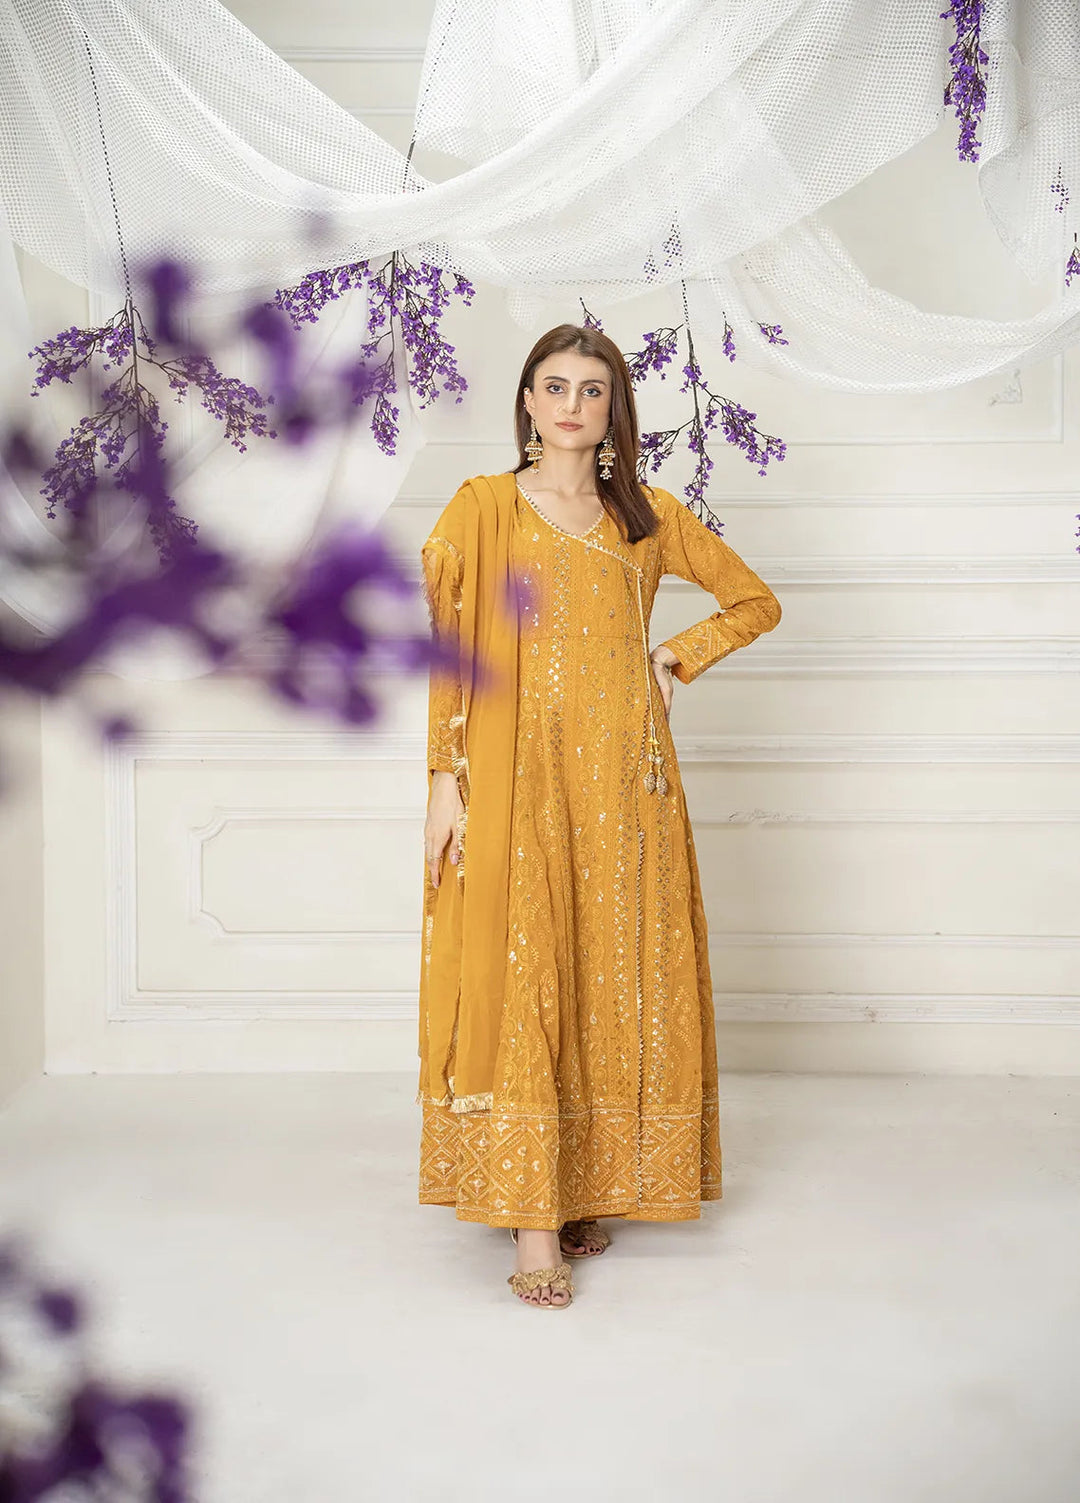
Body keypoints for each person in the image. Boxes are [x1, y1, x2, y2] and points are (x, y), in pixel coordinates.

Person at [417, 322, 782, 1310]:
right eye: (554, 386)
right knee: (528, 963)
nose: (571, 405)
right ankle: (535, 1224)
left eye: (591, 388)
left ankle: (578, 1185)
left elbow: (754, 602)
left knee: (608, 970)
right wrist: (444, 777)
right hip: (515, 777)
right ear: (527, 402)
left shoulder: (647, 518)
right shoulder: (483, 508)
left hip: (627, 783)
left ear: (615, 405)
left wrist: (673, 656)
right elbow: (452, 649)